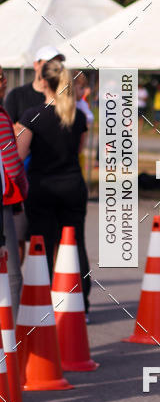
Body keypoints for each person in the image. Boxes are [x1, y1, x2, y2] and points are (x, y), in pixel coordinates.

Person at [16, 59, 91, 313]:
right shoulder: (78, 116)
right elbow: (77, 151)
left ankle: (41, 303)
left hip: (42, 187)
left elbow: (18, 155)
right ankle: (81, 304)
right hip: (72, 185)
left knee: (42, 245)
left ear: (44, 83)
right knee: (75, 244)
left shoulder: (32, 116)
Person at [0, 66, 27, 314]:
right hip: (3, 202)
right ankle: (14, 338)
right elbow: (11, 164)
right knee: (11, 273)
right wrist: (23, 188)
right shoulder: (1, 117)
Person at [4, 45, 65, 124]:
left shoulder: (65, 97)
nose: (54, 68)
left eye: (58, 64)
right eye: (49, 63)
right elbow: (9, 129)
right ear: (36, 65)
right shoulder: (16, 95)